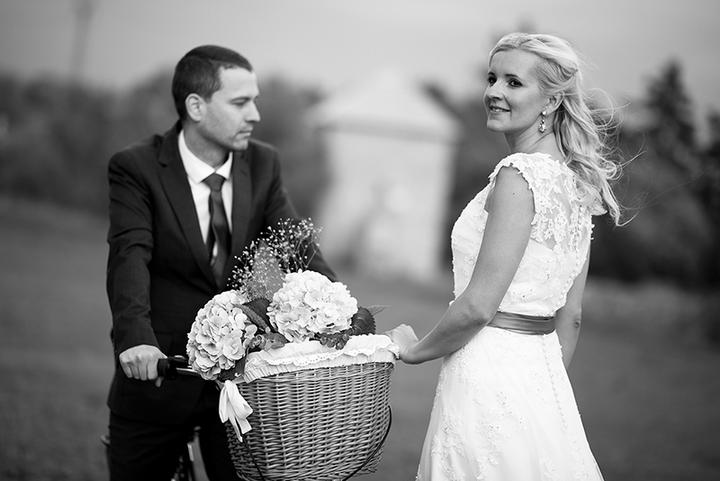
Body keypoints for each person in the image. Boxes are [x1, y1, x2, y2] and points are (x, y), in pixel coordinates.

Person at [388, 32, 622, 480]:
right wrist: (540, 392)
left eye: (513, 82)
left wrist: (414, 350)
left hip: (486, 375)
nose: (494, 91)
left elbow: (478, 305)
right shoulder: (577, 184)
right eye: (492, 78)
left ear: (551, 100)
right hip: (543, 379)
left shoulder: (518, 175)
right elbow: (570, 316)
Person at [105, 45, 335, 480]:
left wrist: (344, 318)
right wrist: (135, 338)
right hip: (159, 372)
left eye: (255, 101)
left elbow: (298, 249)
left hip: (241, 384)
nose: (255, 115)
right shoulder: (136, 167)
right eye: (240, 102)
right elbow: (128, 255)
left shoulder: (264, 163)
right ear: (196, 106)